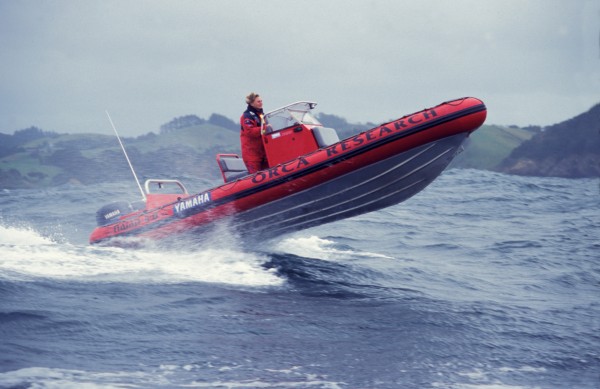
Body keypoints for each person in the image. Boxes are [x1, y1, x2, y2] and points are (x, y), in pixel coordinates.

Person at [240, 92, 268, 173]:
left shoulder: (261, 115)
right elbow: (250, 132)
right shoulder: (247, 116)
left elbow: (264, 132)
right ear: (252, 103)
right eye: (258, 101)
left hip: (263, 153)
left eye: (261, 101)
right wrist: (265, 128)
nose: (261, 103)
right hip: (252, 155)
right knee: (256, 176)